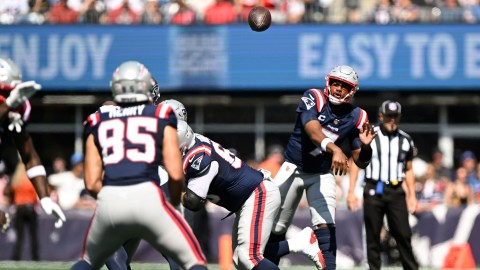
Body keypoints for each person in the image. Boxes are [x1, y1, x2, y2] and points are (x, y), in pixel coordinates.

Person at [71, 61, 207, 270]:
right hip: (152, 192)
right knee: (188, 260)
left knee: (91, 260)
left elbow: (91, 182)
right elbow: (175, 173)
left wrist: (113, 195)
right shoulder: (160, 116)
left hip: (114, 195)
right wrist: (175, 203)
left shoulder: (98, 118)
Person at [267, 65, 376, 269]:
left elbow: (360, 161)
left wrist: (367, 147)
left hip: (321, 173)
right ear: (328, 82)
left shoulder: (358, 116)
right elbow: (312, 129)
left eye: (343, 86)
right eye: (335, 83)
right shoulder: (314, 96)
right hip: (294, 168)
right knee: (276, 228)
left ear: (351, 91)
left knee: (326, 228)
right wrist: (334, 149)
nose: (337, 88)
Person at [177, 120, 325, 270]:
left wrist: (171, 193)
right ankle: (300, 242)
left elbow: (193, 202)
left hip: (257, 193)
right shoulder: (195, 142)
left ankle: (302, 243)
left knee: (248, 257)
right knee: (240, 257)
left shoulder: (199, 158)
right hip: (250, 197)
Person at [349, 100, 418, 270]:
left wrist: (412, 195)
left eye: (395, 116)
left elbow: (408, 169)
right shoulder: (370, 135)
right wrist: (351, 192)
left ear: (400, 117)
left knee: (403, 233)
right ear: (381, 116)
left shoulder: (405, 140)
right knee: (373, 235)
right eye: (389, 116)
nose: (392, 120)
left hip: (395, 190)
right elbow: (356, 163)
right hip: (373, 188)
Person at [0, 57, 66, 233]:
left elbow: (29, 156)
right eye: (5, 94)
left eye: (11, 94)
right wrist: (8, 104)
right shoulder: (9, 106)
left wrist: (44, 197)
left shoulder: (16, 110)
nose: (10, 99)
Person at [8, 163, 40, 261]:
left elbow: (11, 192)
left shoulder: (16, 180)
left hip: (20, 209)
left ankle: (16, 257)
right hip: (30, 208)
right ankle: (35, 258)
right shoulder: (30, 180)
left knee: (19, 236)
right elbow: (35, 195)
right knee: (33, 235)